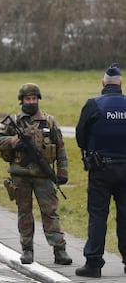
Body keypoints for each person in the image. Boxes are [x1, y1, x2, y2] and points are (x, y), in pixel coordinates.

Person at [0, 83, 72, 265]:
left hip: (43, 176)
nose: (31, 102)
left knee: (50, 213)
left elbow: (60, 148)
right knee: (24, 213)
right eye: (28, 99)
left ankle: (59, 250)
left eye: (34, 98)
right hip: (20, 175)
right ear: (21, 100)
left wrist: (62, 172)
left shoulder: (48, 121)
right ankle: (27, 249)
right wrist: (14, 141)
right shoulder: (13, 122)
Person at [75, 63, 126, 278]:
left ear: (103, 83)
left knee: (97, 215)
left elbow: (80, 137)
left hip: (100, 169)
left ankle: (93, 264)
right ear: (121, 84)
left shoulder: (93, 105)